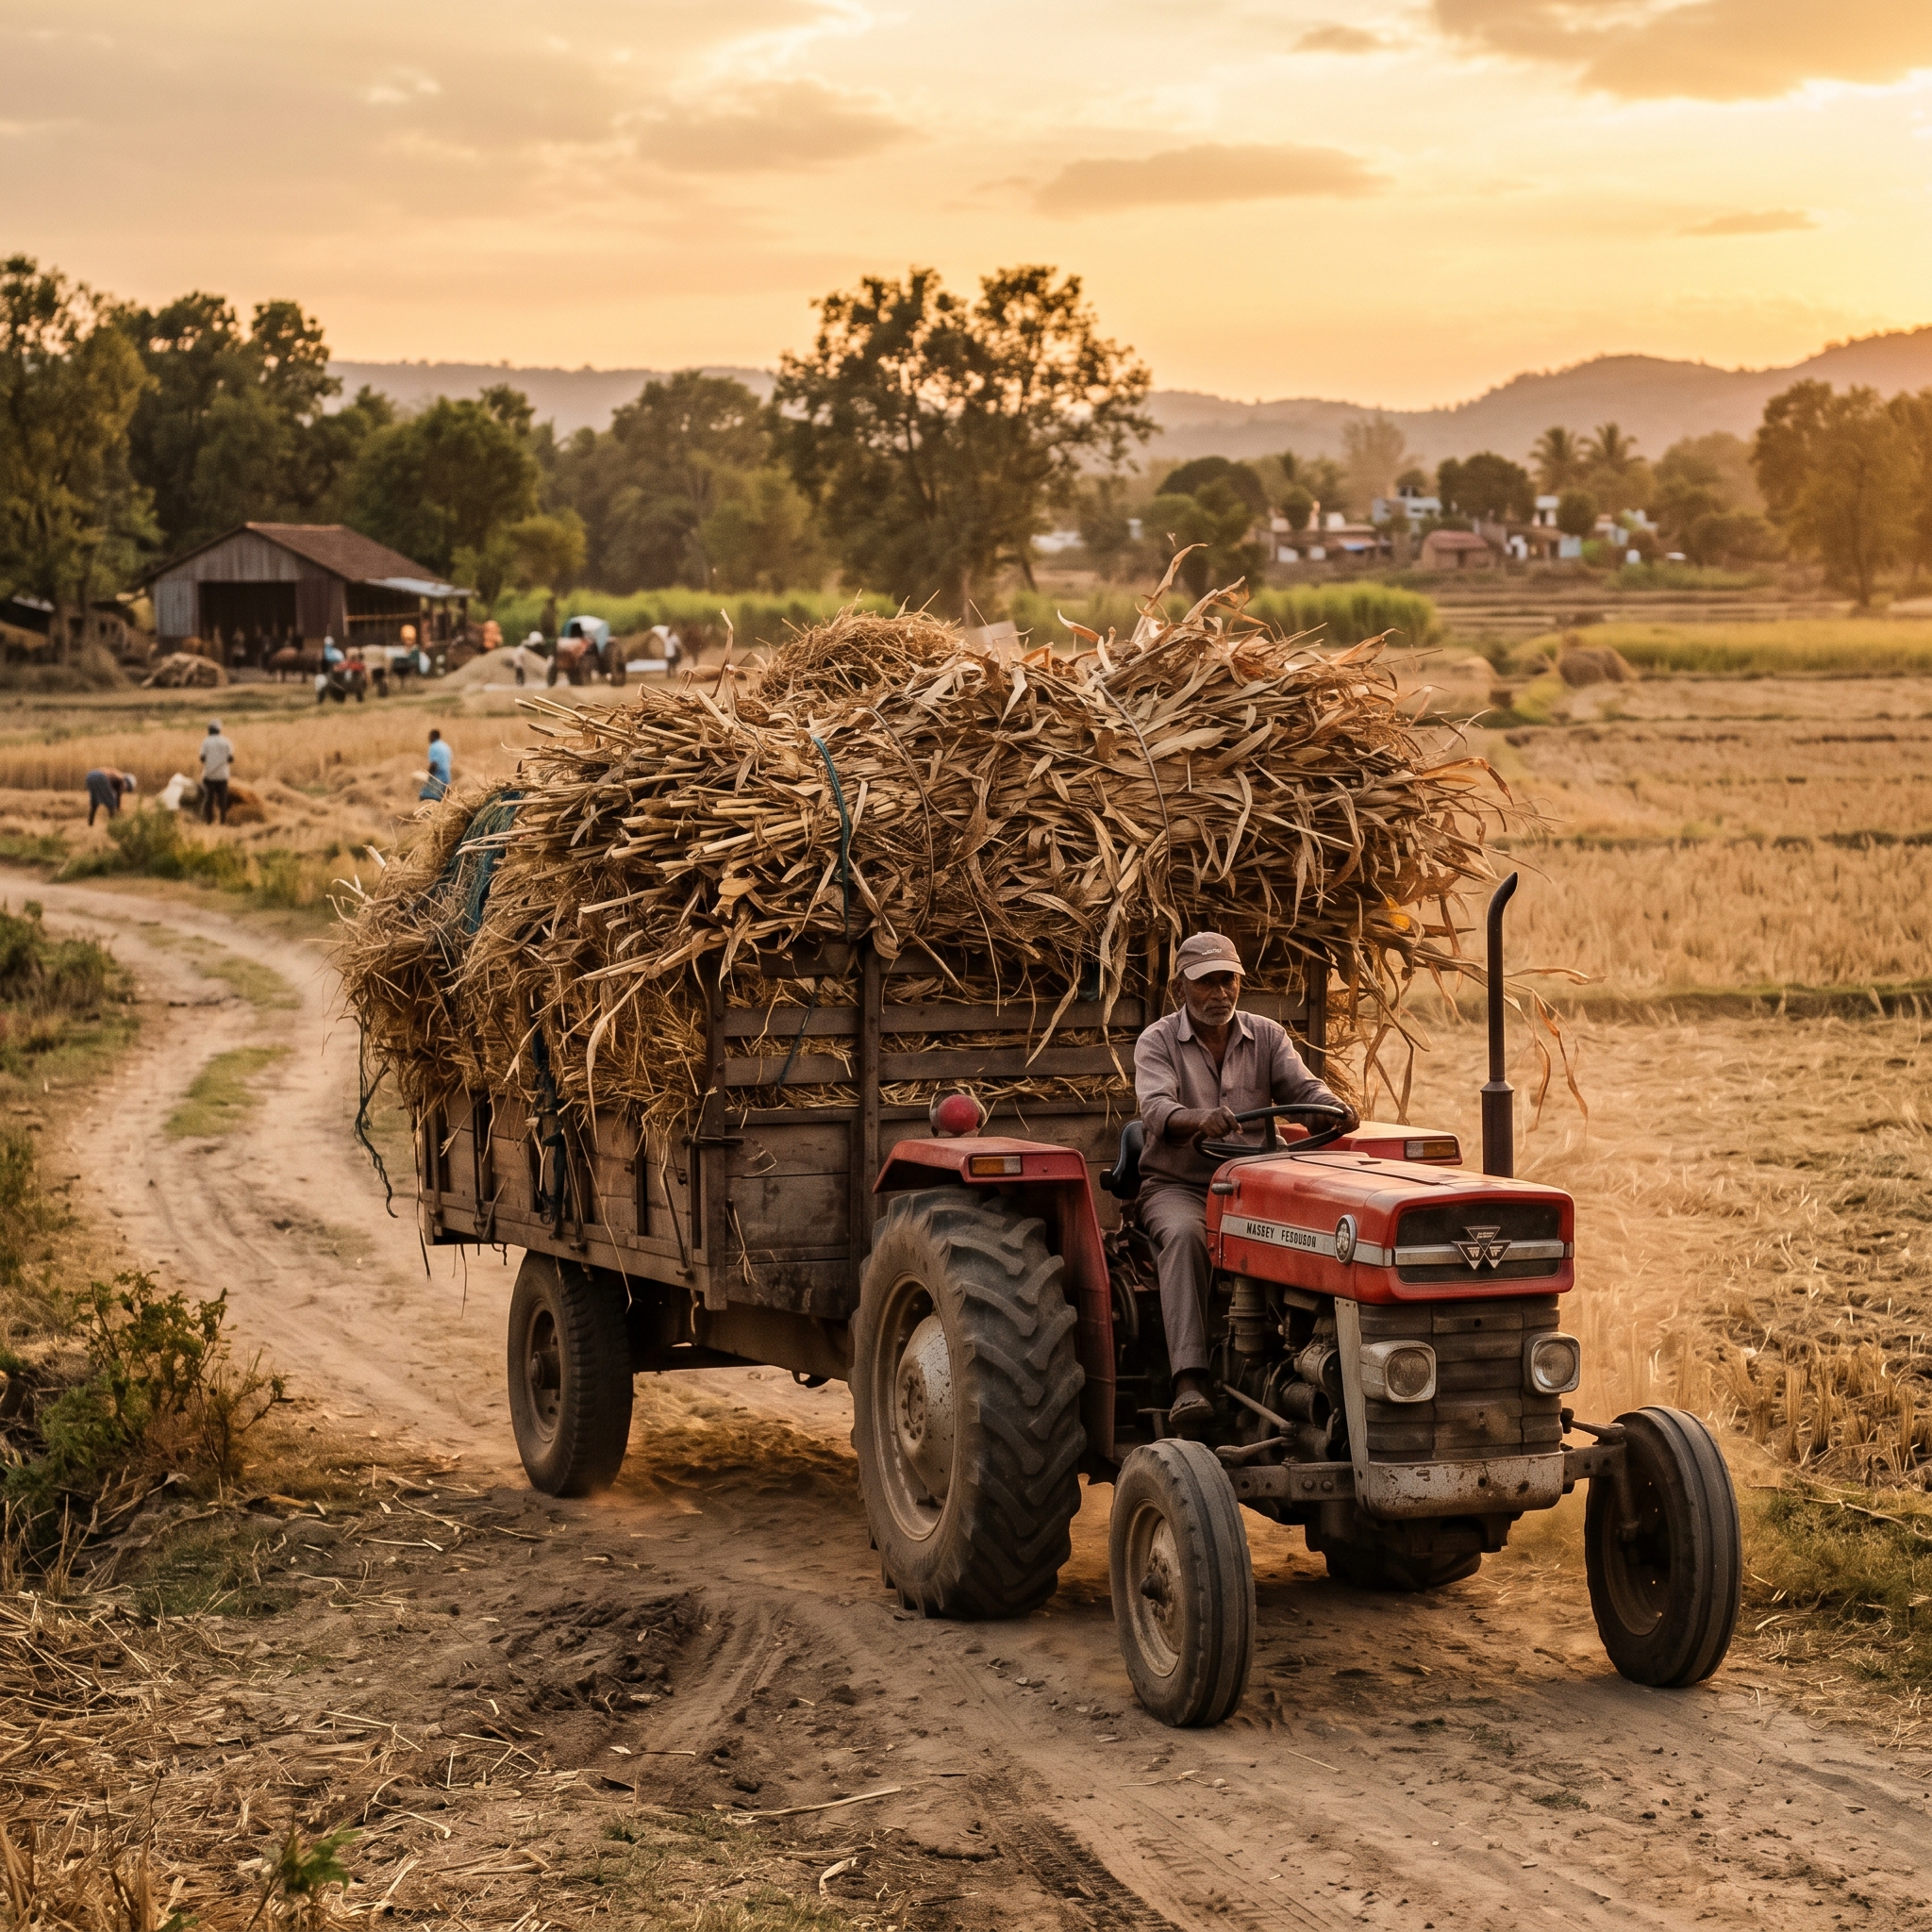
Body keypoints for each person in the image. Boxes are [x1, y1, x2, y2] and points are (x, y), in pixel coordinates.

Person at [1132, 931, 1357, 1434]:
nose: (1219, 993)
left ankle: (1319, 1366)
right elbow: (1155, 1109)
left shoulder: (1268, 1036)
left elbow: (1305, 1088)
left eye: (1228, 980)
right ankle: (1189, 1380)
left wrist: (1332, 1111)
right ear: (1181, 990)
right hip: (1180, 1186)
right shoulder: (1158, 1041)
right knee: (1186, 1236)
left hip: (1255, 1189)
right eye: (1206, 983)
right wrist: (1196, 1120)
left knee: (1326, 1233)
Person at [199, 719, 235, 824]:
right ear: (219, 730)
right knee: (222, 800)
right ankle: (222, 821)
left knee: (208, 801)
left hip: (209, 776)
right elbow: (231, 759)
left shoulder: (206, 741)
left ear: (210, 730)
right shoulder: (226, 741)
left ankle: (209, 822)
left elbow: (202, 758)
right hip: (223, 776)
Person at [422, 728, 453, 802]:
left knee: (425, 798)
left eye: (429, 736)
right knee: (444, 801)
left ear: (433, 736)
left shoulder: (434, 747)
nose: (428, 738)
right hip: (447, 778)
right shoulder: (446, 746)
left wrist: (428, 777)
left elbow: (434, 764)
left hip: (438, 778)